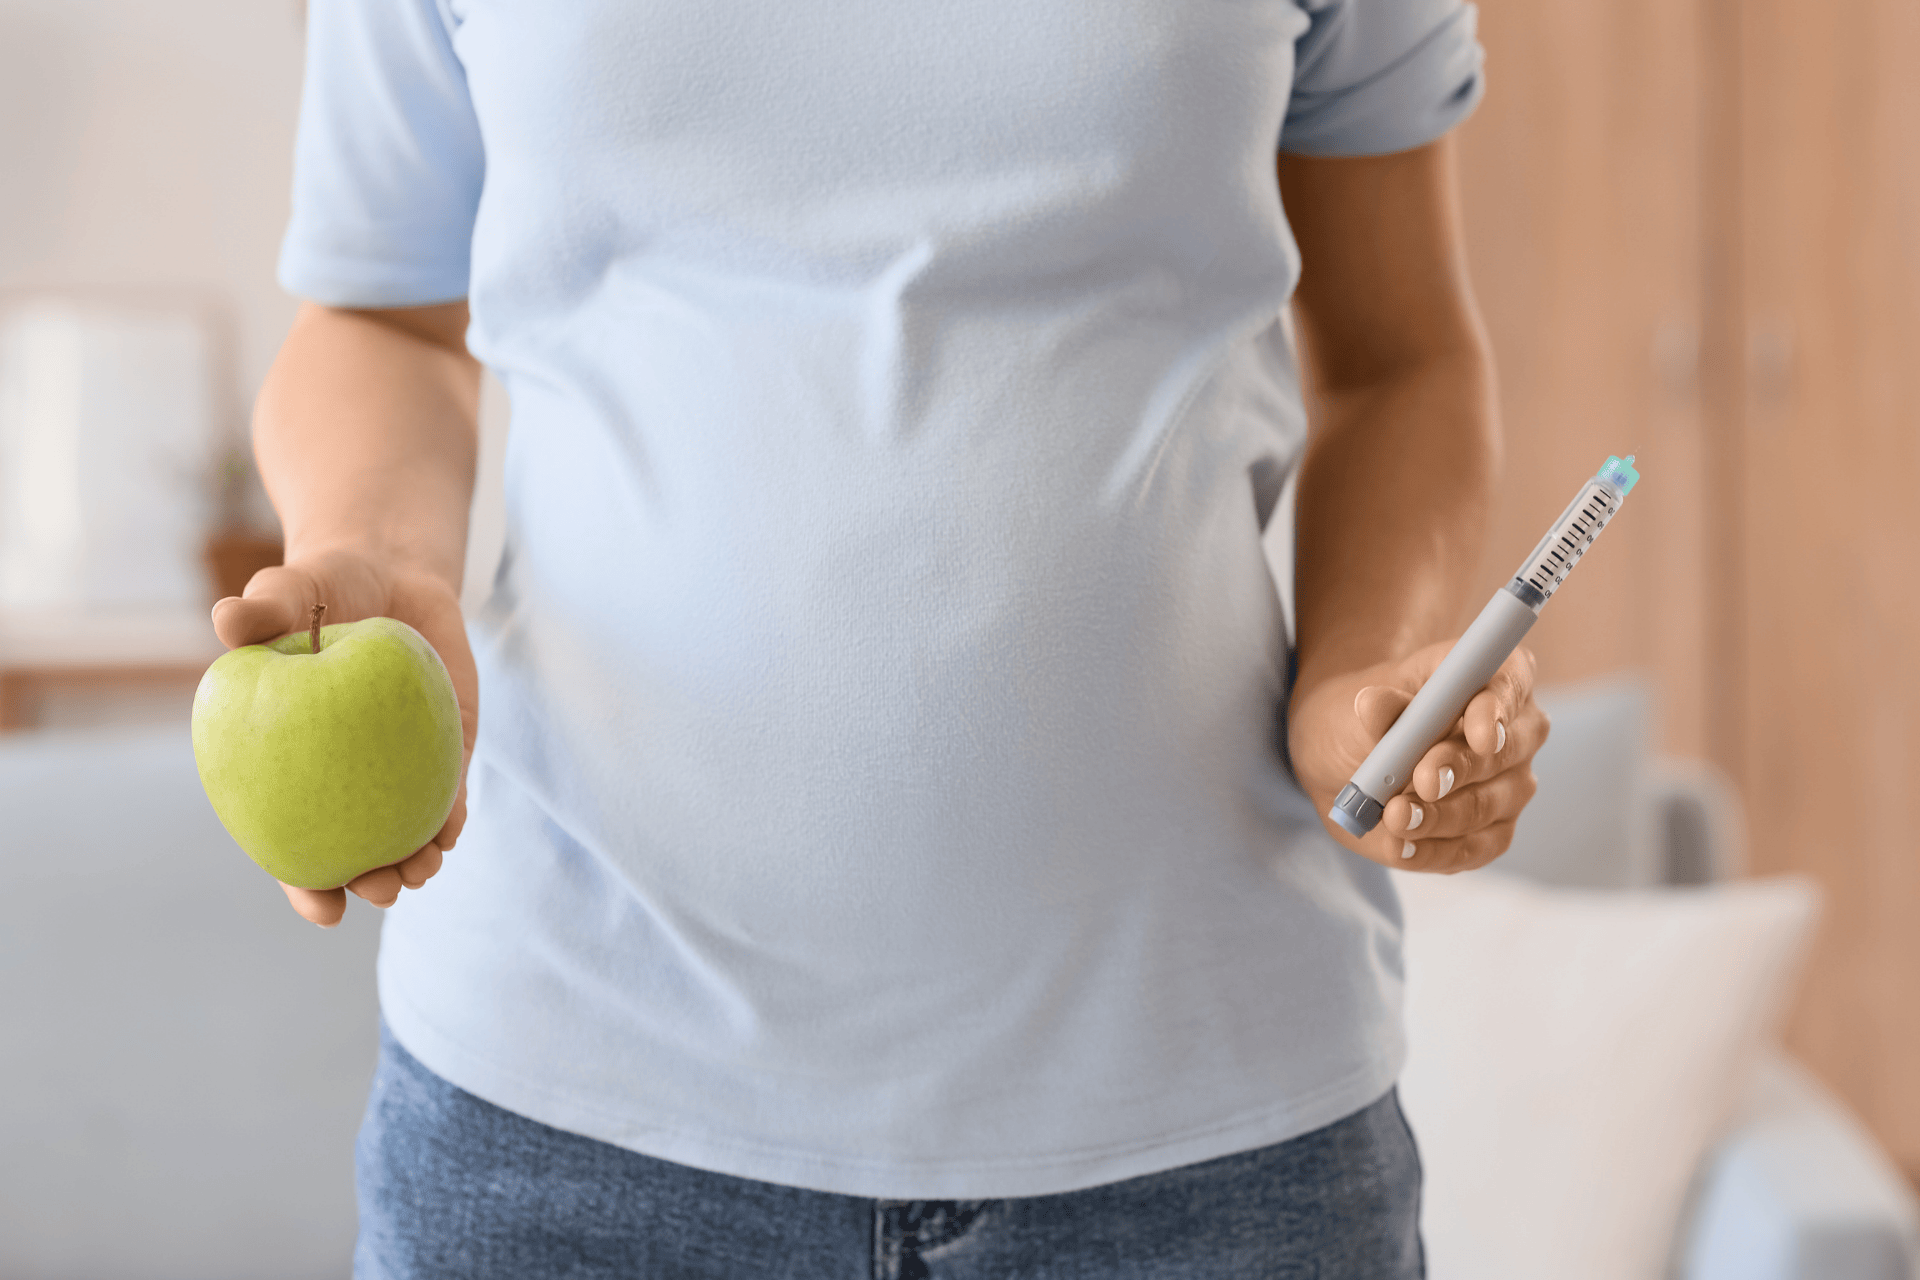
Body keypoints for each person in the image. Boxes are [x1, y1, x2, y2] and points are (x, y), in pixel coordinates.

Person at [214, 0, 1547, 1274]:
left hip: (1211, 1143)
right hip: (568, 1123)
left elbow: (1399, 358)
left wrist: (1368, 666)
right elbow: (381, 315)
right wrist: (373, 558)